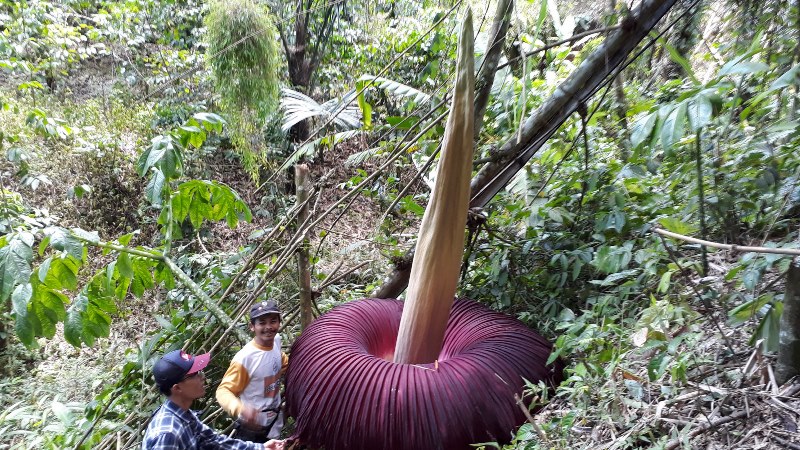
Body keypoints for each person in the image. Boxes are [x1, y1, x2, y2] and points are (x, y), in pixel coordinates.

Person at [142, 349, 284, 450]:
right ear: (177, 388)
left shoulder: (184, 415)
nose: (202, 377)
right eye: (194, 375)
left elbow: (215, 441)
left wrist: (261, 448)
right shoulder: (168, 434)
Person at [217, 300, 289, 443]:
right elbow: (223, 391)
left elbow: (282, 362)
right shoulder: (246, 358)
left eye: (273, 321)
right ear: (252, 327)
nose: (268, 327)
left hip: (274, 423)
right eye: (262, 323)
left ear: (279, 323)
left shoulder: (276, 342)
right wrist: (240, 409)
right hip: (252, 430)